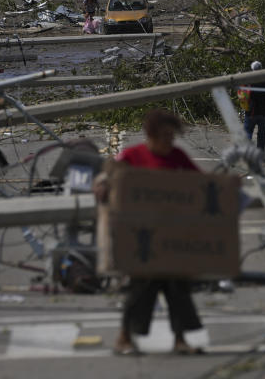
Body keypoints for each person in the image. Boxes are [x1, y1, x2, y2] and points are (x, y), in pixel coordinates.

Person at [93, 109, 205, 356]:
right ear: (151, 135)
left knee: (177, 288)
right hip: (141, 236)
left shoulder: (177, 157)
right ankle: (124, 337)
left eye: (172, 136)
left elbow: (201, 183)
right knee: (142, 287)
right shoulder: (133, 156)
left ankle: (180, 339)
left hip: (172, 235)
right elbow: (107, 174)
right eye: (164, 135)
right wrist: (102, 184)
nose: (169, 140)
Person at [244, 61, 265, 150]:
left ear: (252, 69)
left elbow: (242, 94)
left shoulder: (248, 79)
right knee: (262, 135)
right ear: (261, 68)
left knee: (248, 132)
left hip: (251, 112)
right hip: (263, 112)